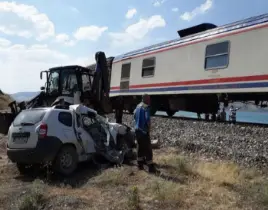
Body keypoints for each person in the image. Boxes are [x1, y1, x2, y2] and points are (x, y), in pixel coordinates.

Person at [133, 94, 155, 173]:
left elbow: (134, 116)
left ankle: (140, 165)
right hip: (143, 131)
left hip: (137, 130)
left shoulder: (138, 106)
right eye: (149, 99)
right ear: (146, 99)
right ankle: (151, 168)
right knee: (148, 149)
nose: (149, 100)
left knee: (140, 147)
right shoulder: (146, 107)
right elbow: (147, 119)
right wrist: (149, 129)